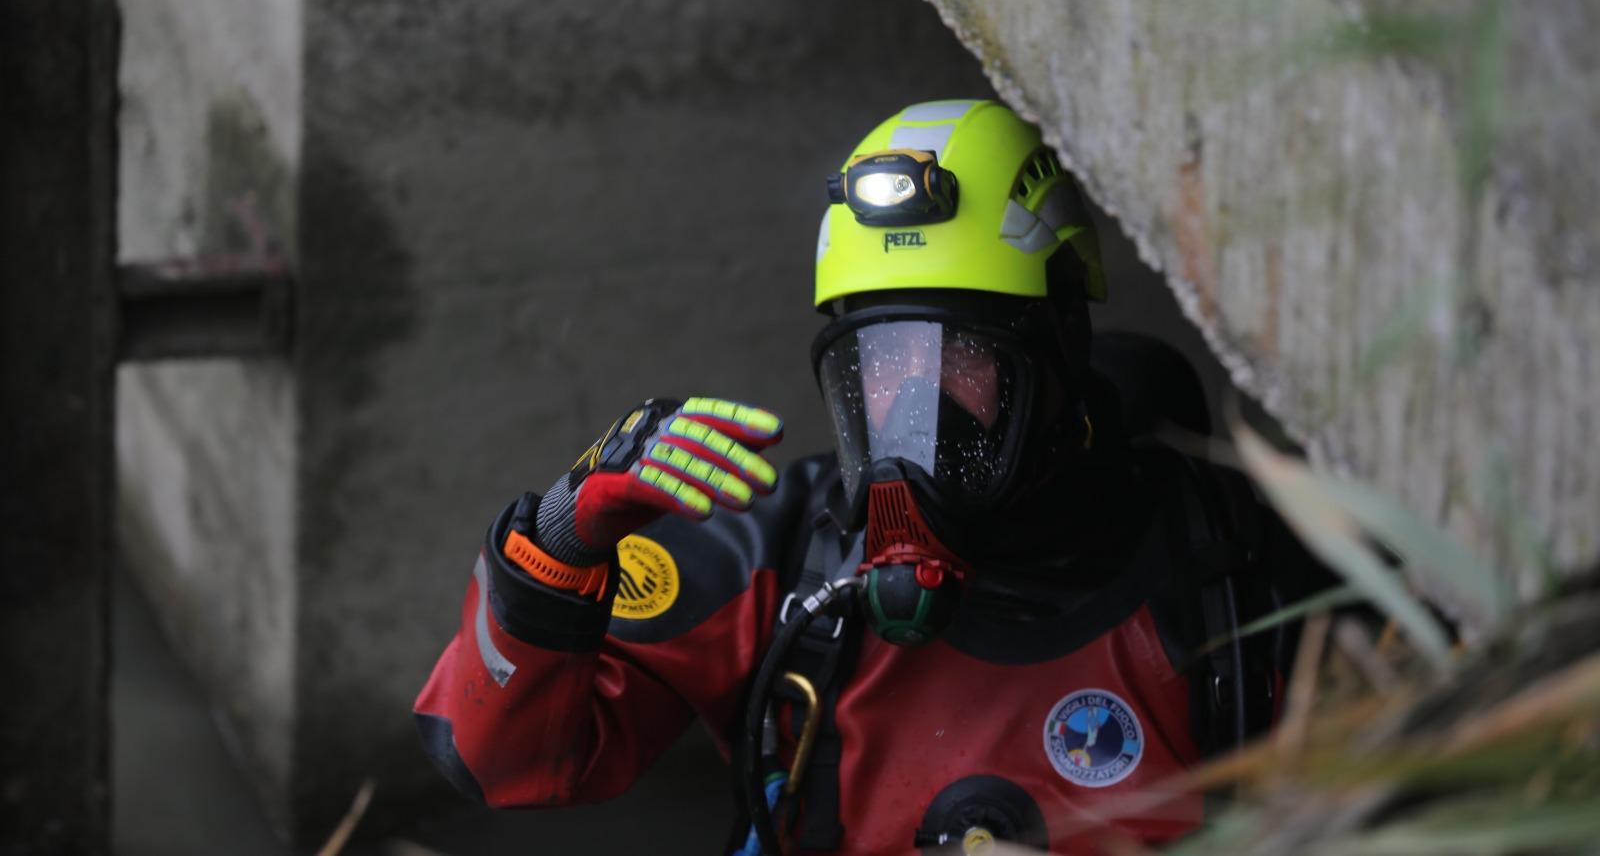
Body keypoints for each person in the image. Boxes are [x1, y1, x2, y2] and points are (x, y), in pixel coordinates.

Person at [414, 100, 1306, 854]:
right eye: (878, 361)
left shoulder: (1232, 574)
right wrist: (560, 543)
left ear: (1059, 348)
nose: (911, 403)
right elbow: (495, 763)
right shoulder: (786, 563)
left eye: (956, 355)